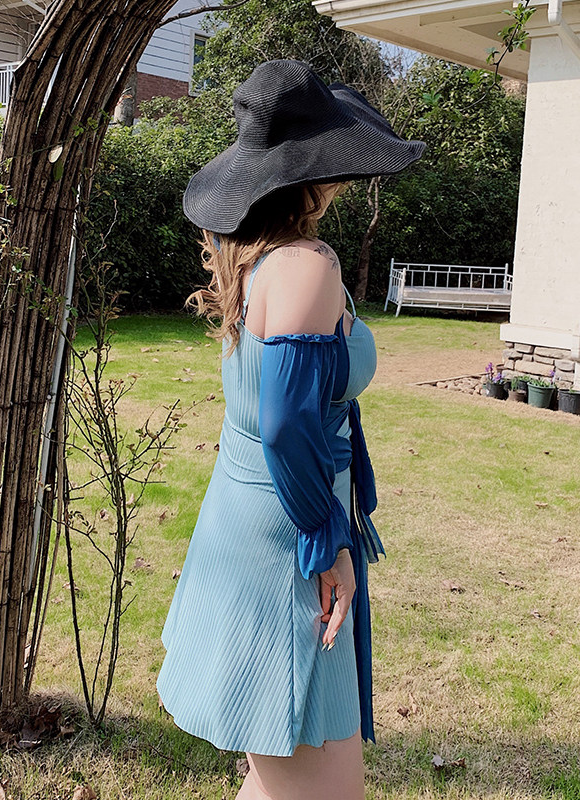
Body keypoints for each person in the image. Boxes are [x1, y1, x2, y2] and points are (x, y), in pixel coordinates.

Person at [156, 59, 425, 800]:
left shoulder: (254, 257)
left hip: (252, 516)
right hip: (287, 534)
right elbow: (283, 424)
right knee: (320, 785)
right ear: (314, 172)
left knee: (281, 776)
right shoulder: (306, 264)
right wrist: (326, 541)